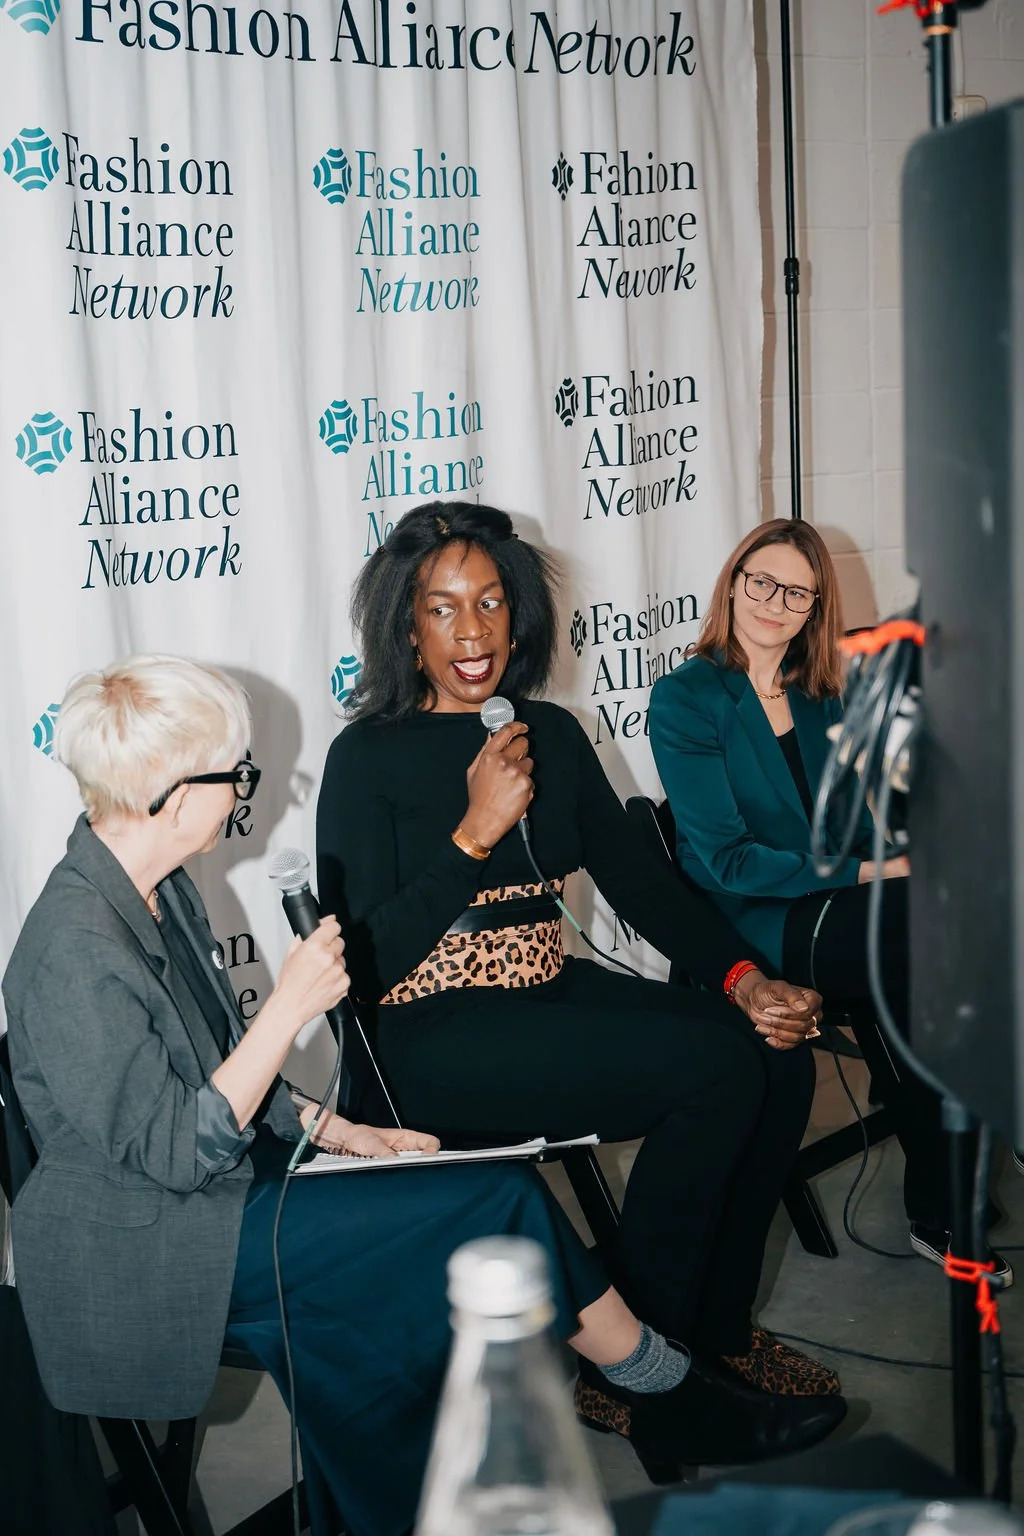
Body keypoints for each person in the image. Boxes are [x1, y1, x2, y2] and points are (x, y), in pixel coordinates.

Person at [2, 655, 843, 1536]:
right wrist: (288, 1007)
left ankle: (567, 1424)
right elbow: (176, 1154)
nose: (245, 793)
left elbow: (215, 1072)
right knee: (488, 1203)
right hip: (157, 1242)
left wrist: (342, 1131)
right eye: (235, 775)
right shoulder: (76, 948)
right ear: (175, 796)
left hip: (221, 1193)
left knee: (471, 1198)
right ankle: (660, 1388)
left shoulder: (156, 887)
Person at [316, 499, 848, 1445]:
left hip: (544, 992)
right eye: (442, 609)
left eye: (490, 603)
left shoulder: (549, 733)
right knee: (716, 1073)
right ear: (406, 624)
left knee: (775, 1054)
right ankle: (641, 1359)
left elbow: (644, 881)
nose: (471, 631)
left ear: (519, 614)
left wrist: (742, 980)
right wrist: (473, 835)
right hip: (428, 1030)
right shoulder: (367, 757)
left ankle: (713, 1333)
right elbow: (360, 965)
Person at [648, 518, 1010, 1281]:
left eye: (799, 593)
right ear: (734, 580)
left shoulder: (821, 694)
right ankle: (949, 1197)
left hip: (840, 906)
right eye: (763, 582)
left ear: (816, 608)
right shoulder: (687, 698)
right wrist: (878, 870)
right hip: (755, 918)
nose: (775, 603)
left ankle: (945, 1200)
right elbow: (725, 860)